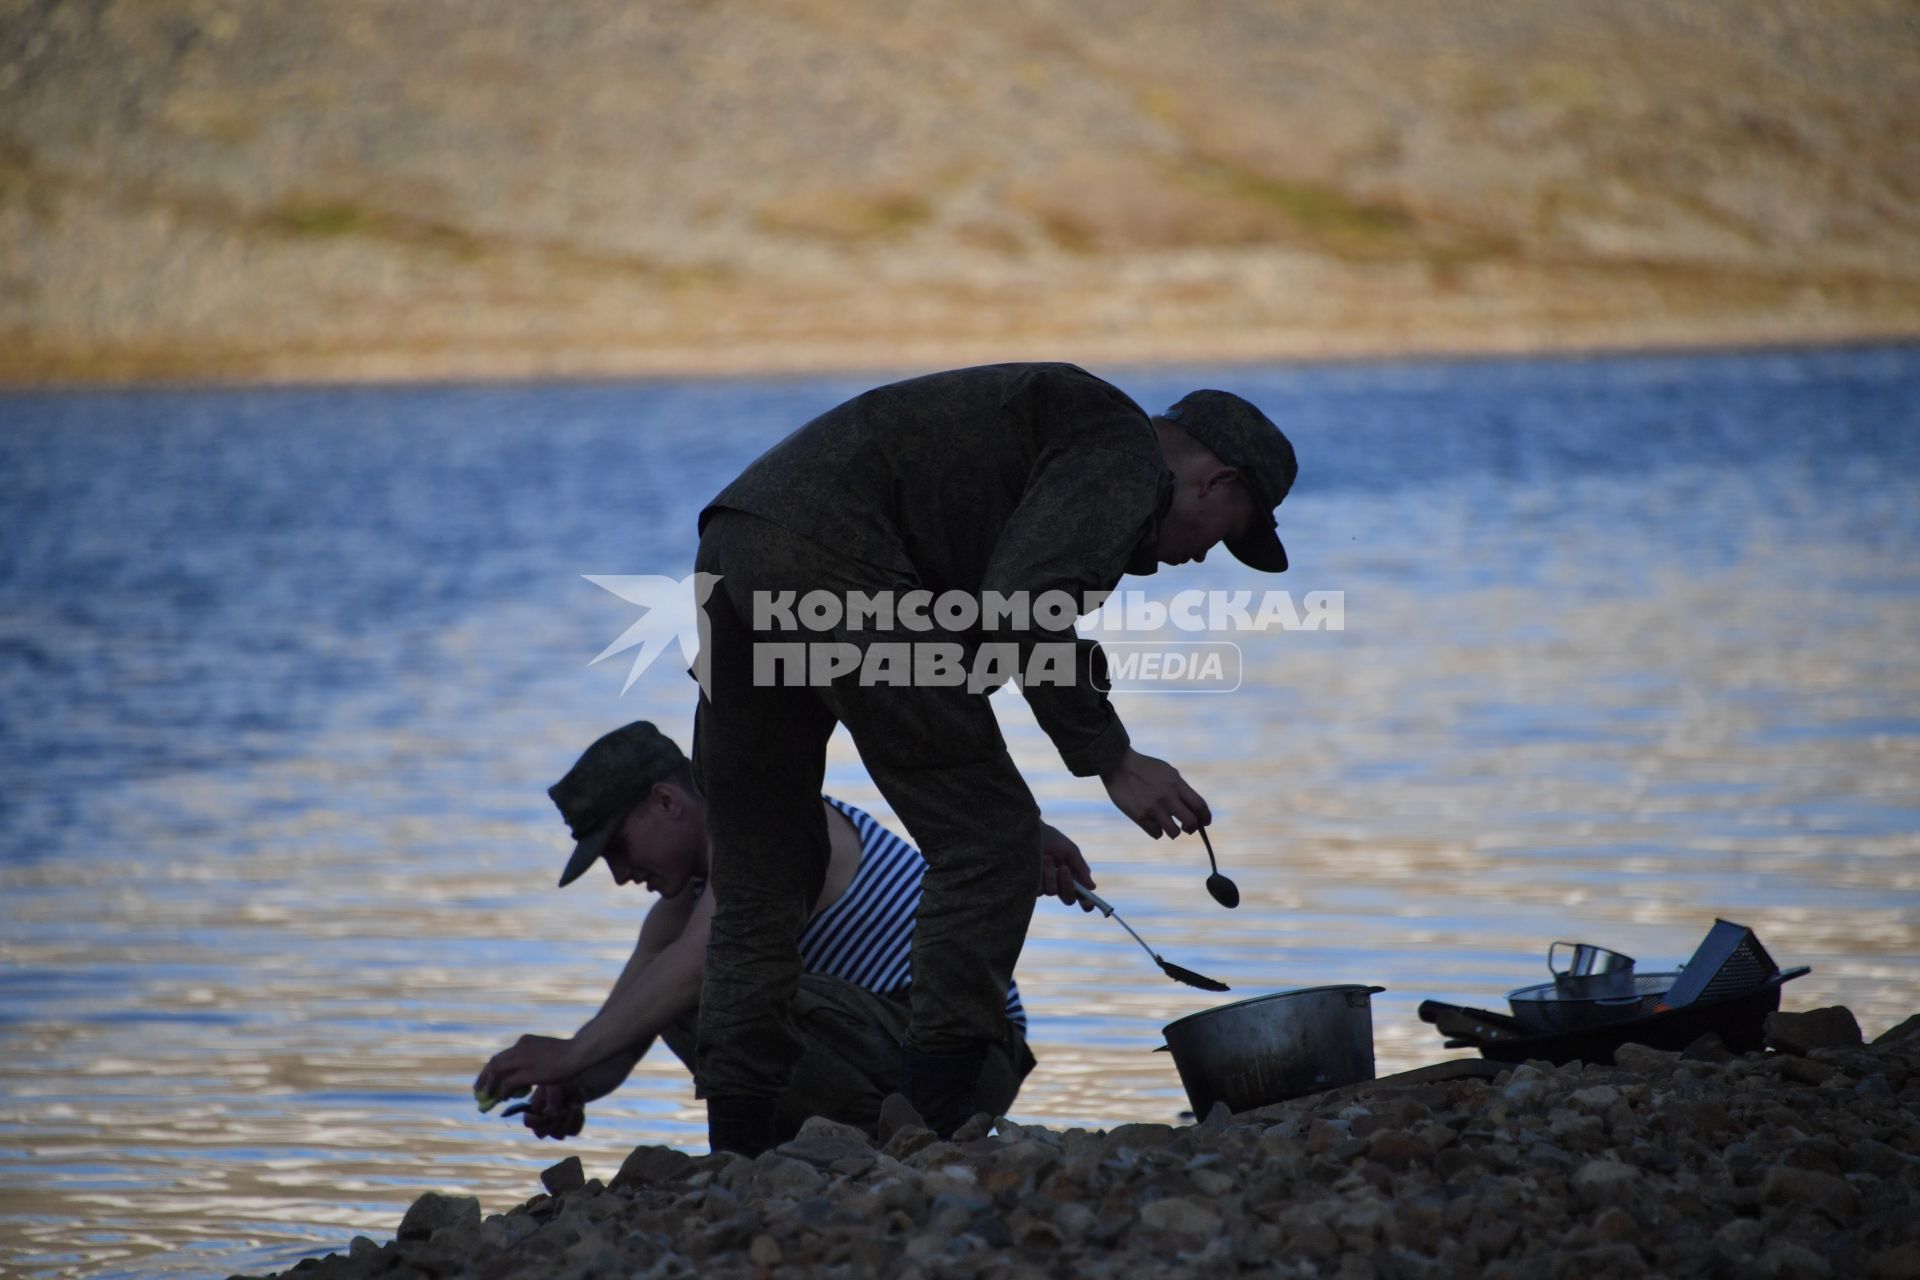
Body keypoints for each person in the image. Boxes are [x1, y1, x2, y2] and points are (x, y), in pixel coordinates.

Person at [693, 362, 1298, 1154]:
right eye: (1230, 535)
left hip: (735, 542)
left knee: (760, 873)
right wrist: (1111, 757)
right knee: (985, 847)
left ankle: (736, 1155)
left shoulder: (1052, 448)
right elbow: (1024, 607)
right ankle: (937, 1124)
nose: (1201, 558)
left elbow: (967, 648)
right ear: (1212, 485)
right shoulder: (1124, 454)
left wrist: (1016, 810)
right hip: (832, 552)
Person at [473, 720, 1064, 1140]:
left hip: (970, 1055)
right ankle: (843, 1139)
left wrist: (573, 1053)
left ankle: (882, 1138)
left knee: (719, 984)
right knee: (686, 989)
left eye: (618, 849)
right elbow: (627, 1023)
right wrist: (574, 1082)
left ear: (666, 801)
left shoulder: (771, 827)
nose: (623, 875)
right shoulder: (683, 909)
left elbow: (705, 967)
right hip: (883, 1047)